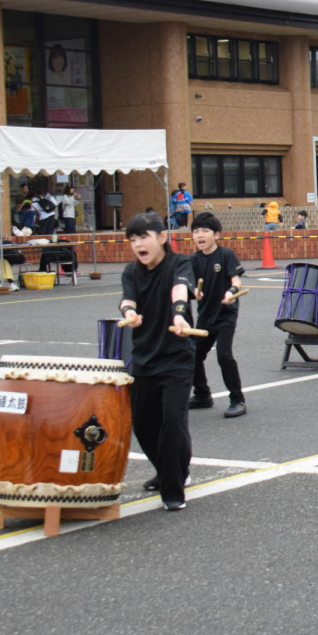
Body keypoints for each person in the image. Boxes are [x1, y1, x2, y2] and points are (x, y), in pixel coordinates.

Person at [118, 211, 196, 512]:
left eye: (144, 237)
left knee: (173, 422)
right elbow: (128, 299)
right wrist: (129, 314)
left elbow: (180, 290)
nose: (138, 244)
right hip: (144, 358)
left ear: (163, 238)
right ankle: (169, 469)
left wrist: (179, 313)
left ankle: (173, 488)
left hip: (177, 357)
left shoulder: (179, 263)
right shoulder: (131, 271)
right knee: (144, 425)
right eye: (133, 239)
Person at [187, 212, 247, 419]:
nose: (199, 235)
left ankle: (237, 399)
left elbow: (236, 281)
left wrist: (231, 292)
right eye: (195, 231)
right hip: (205, 317)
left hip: (225, 316)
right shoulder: (193, 260)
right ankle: (203, 394)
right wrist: (192, 291)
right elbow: (187, 285)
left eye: (205, 231)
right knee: (192, 356)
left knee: (224, 355)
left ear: (217, 235)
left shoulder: (226, 255)